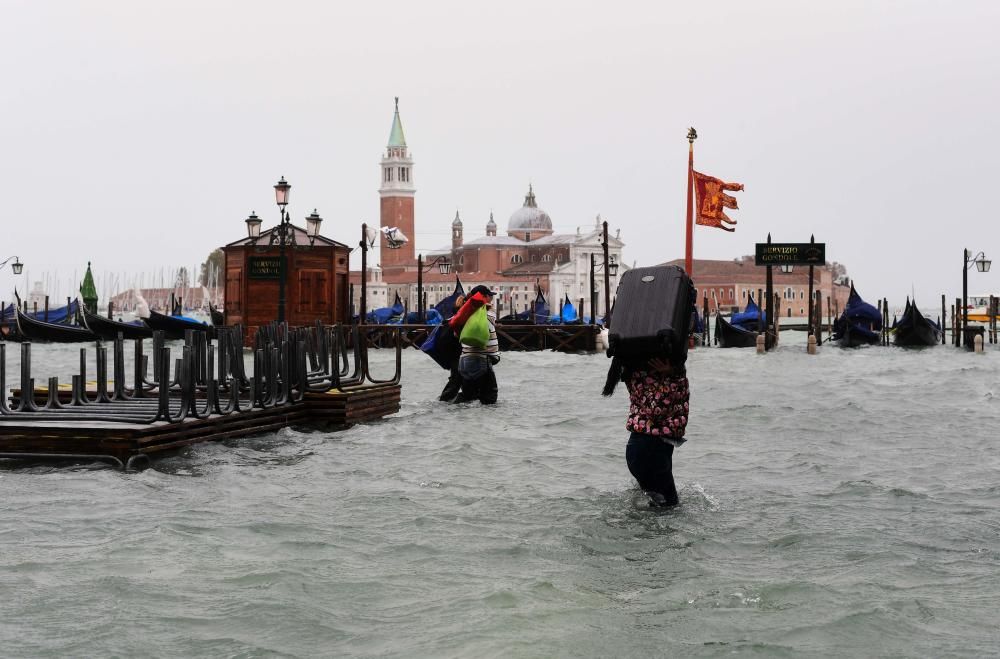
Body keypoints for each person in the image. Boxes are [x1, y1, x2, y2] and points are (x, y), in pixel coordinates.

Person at [603, 353, 690, 507]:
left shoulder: (638, 374)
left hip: (646, 449)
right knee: (668, 508)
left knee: (659, 508)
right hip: (649, 450)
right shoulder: (650, 378)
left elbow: (676, 401)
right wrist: (671, 377)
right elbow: (657, 410)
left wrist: (674, 375)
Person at [456, 285, 500, 405]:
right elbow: (492, 318)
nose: (491, 298)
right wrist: (489, 308)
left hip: (464, 360)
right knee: (489, 399)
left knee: (468, 399)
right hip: (480, 359)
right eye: (489, 296)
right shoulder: (487, 314)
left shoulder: (465, 313)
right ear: (483, 297)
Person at [438, 294, 465, 402]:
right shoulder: (460, 319)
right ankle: (444, 400)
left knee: (457, 378)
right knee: (456, 379)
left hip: (451, 353)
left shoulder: (452, 318)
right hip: (457, 353)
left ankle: (448, 400)